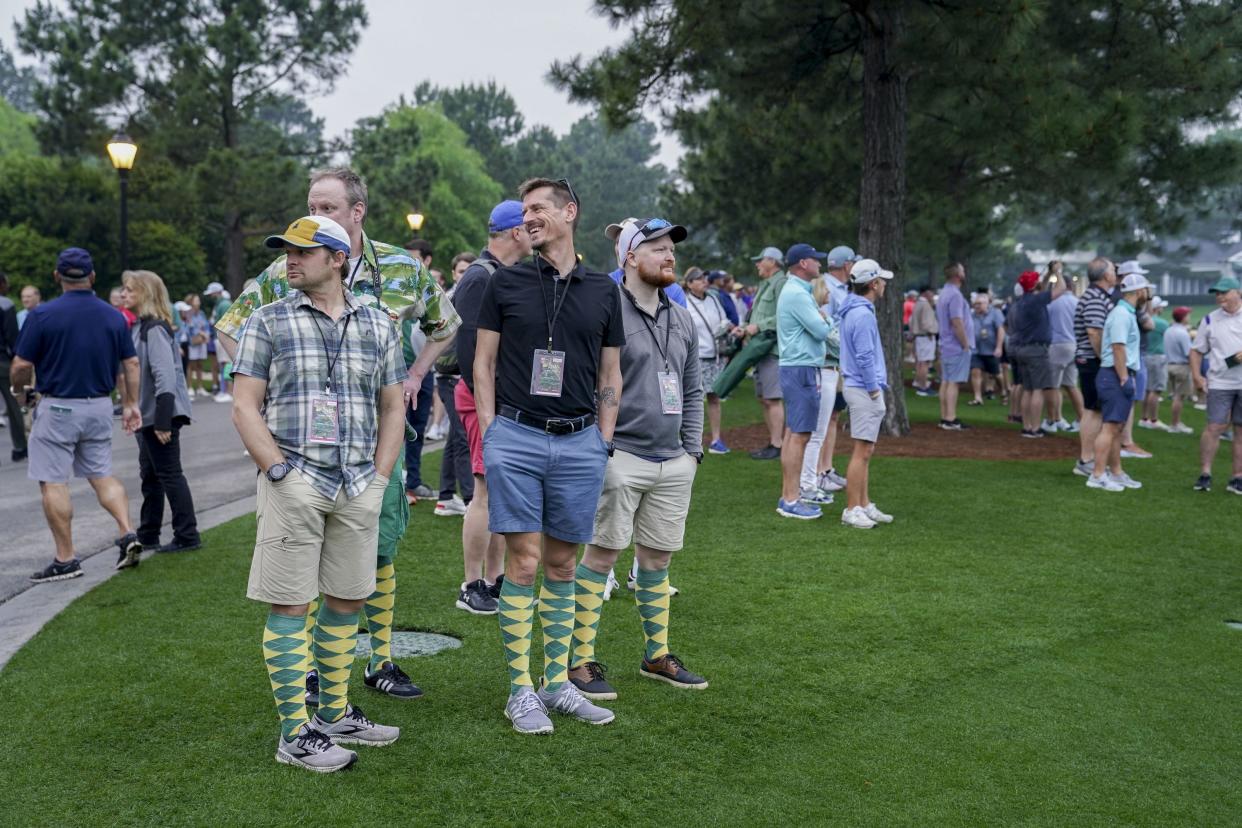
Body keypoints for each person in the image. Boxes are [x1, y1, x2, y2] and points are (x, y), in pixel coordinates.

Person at [216, 166, 460, 704]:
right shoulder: (286, 271)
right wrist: (274, 395)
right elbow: (232, 329)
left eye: (326, 207)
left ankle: (382, 660)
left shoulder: (399, 266)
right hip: (303, 452)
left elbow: (446, 324)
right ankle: (305, 673)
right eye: (310, 204)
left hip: (376, 443)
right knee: (296, 572)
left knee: (378, 547)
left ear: (357, 212)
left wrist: (415, 373)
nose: (315, 215)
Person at [231, 215, 404, 772]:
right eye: (287, 251)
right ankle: (294, 734)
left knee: (348, 599)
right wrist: (279, 473)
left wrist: (379, 479)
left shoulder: (379, 324)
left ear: (337, 258)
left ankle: (333, 714)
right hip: (295, 481)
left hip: (357, 483)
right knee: (291, 603)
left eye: (303, 251)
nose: (290, 259)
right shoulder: (267, 320)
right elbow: (243, 405)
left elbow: (393, 406)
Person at [473, 177, 623, 734]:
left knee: (563, 563)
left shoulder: (603, 291)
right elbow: (482, 364)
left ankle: (555, 684)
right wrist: (491, 431)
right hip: (517, 436)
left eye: (538, 209)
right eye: (524, 212)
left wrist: (603, 439)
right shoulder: (505, 283)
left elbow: (611, 372)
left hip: (581, 440)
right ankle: (520, 690)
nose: (528, 219)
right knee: (525, 562)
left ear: (569, 212)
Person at [567, 216, 707, 703]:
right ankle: (579, 661)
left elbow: (692, 387)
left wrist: (692, 451)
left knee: (658, 558)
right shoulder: (607, 310)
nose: (669, 256)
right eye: (656, 248)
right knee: (601, 556)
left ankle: (657, 654)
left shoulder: (681, 315)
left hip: (673, 460)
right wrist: (598, 447)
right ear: (628, 257)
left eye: (671, 249)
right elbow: (588, 383)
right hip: (618, 454)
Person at [9, 248, 144, 581]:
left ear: (57, 277)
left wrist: (20, 391)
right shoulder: (114, 316)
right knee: (101, 473)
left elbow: (22, 365)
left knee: (54, 480)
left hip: (57, 406)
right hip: (98, 404)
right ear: (92, 277)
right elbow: (131, 363)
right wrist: (131, 403)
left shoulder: (42, 315)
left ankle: (66, 558)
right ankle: (127, 531)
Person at [452, 200, 531, 615]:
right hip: (484, 400)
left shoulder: (498, 274)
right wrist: (493, 406)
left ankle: (494, 578)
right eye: (529, 225)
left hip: (499, 400)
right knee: (483, 491)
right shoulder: (482, 278)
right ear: (515, 232)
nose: (536, 232)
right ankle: (470, 584)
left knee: (499, 491)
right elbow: (470, 355)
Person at [121, 270, 200, 553]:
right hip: (151, 415)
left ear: (146, 293)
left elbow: (164, 377)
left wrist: (163, 421)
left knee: (169, 475)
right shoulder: (141, 327)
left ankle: (187, 535)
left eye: (130, 290)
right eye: (123, 289)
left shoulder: (154, 328)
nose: (124, 294)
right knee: (151, 475)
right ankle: (150, 532)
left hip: (160, 415)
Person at [710, 246, 787, 459]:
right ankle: (774, 443)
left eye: (760, 260)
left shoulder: (781, 283)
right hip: (759, 350)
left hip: (772, 349)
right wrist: (745, 327)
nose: (757, 264)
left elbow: (786, 315)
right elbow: (757, 316)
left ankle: (779, 445)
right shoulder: (767, 284)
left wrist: (758, 327)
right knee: (764, 398)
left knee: (772, 399)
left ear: (772, 261)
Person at [775, 243, 832, 519]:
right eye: (815, 259)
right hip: (801, 367)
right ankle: (791, 498)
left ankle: (790, 494)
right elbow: (821, 330)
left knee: (793, 433)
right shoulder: (797, 293)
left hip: (796, 366)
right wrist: (827, 319)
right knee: (800, 435)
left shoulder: (797, 290)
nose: (820, 264)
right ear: (803, 264)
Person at [837, 258, 894, 529]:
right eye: (881, 280)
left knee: (866, 450)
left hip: (860, 387)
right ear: (873, 284)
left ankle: (863, 502)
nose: (884, 285)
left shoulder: (857, 309)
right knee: (861, 450)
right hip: (862, 388)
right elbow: (864, 356)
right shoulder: (861, 313)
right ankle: (852, 508)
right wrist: (873, 390)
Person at [1087, 272, 1148, 491]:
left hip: (1115, 374)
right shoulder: (1122, 314)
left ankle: (1116, 472)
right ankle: (1097, 474)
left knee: (1116, 428)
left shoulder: (1124, 312)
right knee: (1110, 427)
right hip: (1115, 374)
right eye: (1146, 290)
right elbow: (1118, 347)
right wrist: (1124, 376)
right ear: (1140, 291)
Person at [809, 246, 856, 496]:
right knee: (824, 419)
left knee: (834, 416)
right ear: (846, 265)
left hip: (837, 362)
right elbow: (825, 328)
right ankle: (817, 471)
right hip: (827, 362)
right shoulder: (825, 287)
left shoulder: (841, 288)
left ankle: (826, 468)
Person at [1190, 276, 1242, 494]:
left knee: (1240, 430)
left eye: (1223, 292)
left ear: (1237, 292)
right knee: (1214, 427)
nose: (1219, 296)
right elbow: (1196, 350)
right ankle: (1205, 473)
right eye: (1217, 293)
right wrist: (1197, 377)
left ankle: (1237, 477)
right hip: (1219, 382)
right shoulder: (1210, 320)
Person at [1072, 257, 1117, 478]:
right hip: (1093, 360)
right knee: (1093, 410)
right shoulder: (1096, 299)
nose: (1115, 272)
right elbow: (1094, 332)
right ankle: (1086, 460)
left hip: (1090, 359)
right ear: (1106, 275)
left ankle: (1088, 459)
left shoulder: (1096, 296)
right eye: (1113, 269)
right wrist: (1105, 359)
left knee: (1094, 409)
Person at [1009, 268, 1066, 438]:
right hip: (1036, 350)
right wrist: (1058, 272)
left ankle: (1027, 426)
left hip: (1022, 349)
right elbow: (1061, 288)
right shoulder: (1036, 300)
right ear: (1034, 285)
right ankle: (1034, 428)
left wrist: (1049, 274)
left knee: (1028, 389)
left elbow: (1042, 288)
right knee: (1038, 390)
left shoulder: (1022, 301)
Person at [684, 267, 733, 454]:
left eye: (704, 277)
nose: (704, 280)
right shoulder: (685, 302)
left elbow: (724, 319)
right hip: (695, 356)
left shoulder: (713, 298)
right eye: (698, 279)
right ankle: (688, 439)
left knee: (714, 397)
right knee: (690, 399)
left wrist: (726, 327)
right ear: (689, 284)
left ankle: (715, 440)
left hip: (715, 355)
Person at [1044, 262, 1082, 432]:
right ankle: (1081, 419)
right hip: (1075, 345)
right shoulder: (1078, 302)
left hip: (1058, 345)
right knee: (1071, 385)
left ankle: (1052, 420)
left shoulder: (1053, 303)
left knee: (1052, 386)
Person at [937, 263, 974, 429]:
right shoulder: (955, 295)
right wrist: (965, 344)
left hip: (945, 344)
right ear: (957, 275)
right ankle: (950, 418)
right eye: (963, 270)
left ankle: (945, 416)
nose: (964, 272)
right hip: (955, 345)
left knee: (946, 381)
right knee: (954, 382)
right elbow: (957, 321)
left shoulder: (944, 293)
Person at [1, 272, 29, 461]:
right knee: (13, 405)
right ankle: (20, 447)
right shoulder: (5, 304)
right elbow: (12, 336)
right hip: (3, 361)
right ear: (2, 284)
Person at [969, 292, 1005, 407]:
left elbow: (1000, 329)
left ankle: (1004, 391)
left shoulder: (995, 313)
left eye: (980, 303)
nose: (977, 306)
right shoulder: (971, 315)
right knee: (975, 371)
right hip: (976, 350)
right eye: (975, 304)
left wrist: (999, 346)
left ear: (987, 303)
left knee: (996, 374)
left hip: (991, 349)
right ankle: (978, 397)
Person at [1139, 296, 1170, 430]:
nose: (1163, 308)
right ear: (1157, 308)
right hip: (1157, 357)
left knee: (1147, 390)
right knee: (1155, 390)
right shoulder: (1162, 323)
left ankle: (1144, 418)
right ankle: (1153, 420)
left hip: (1146, 356)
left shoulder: (1143, 320)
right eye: (1161, 306)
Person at [1163, 306, 1195, 435]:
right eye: (1188, 315)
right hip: (1181, 366)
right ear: (1183, 318)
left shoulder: (1169, 330)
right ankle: (1175, 424)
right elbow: (1189, 353)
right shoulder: (1182, 333)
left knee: (1176, 396)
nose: (1189, 317)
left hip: (1169, 364)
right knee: (1179, 397)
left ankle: (1176, 422)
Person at [204, 281, 233, 402]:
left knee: (226, 364)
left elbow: (227, 323)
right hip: (220, 337)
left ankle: (228, 392)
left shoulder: (224, 304)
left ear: (217, 292)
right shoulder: (220, 304)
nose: (210, 296)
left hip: (223, 337)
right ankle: (224, 390)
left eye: (212, 293)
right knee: (223, 364)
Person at [909, 286, 938, 396]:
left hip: (919, 336)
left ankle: (918, 382)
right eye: (931, 292)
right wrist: (931, 331)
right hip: (926, 336)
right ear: (926, 293)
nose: (932, 295)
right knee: (924, 363)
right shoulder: (925, 305)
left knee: (921, 362)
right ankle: (923, 387)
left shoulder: (918, 304)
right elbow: (926, 323)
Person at [182, 293, 210, 396]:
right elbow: (189, 327)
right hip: (193, 342)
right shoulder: (188, 313)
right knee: (191, 365)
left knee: (200, 364)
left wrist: (206, 335)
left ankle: (200, 387)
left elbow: (206, 325)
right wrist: (200, 333)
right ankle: (190, 387)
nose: (199, 302)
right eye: (197, 300)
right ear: (191, 302)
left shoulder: (201, 313)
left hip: (202, 341)